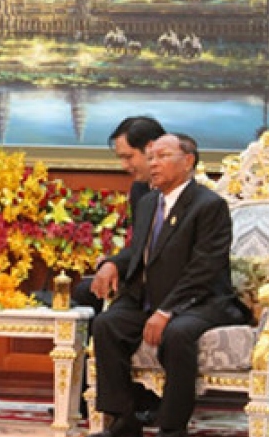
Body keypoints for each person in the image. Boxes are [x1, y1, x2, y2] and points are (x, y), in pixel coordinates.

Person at [88, 134, 250, 437]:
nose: (153, 163)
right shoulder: (149, 202)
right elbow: (139, 251)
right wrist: (111, 264)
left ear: (187, 161)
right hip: (150, 298)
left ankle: (172, 428)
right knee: (107, 324)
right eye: (150, 157)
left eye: (163, 156)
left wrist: (166, 311)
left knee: (177, 333)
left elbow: (205, 268)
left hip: (201, 302)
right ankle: (124, 422)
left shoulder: (208, 205)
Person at [72, 116, 165, 422]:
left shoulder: (189, 193)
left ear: (150, 148)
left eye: (128, 157)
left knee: (104, 307)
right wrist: (112, 262)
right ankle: (90, 396)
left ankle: (143, 399)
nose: (124, 166)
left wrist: (116, 263)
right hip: (138, 275)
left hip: (166, 283)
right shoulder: (140, 190)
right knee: (87, 292)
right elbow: (140, 243)